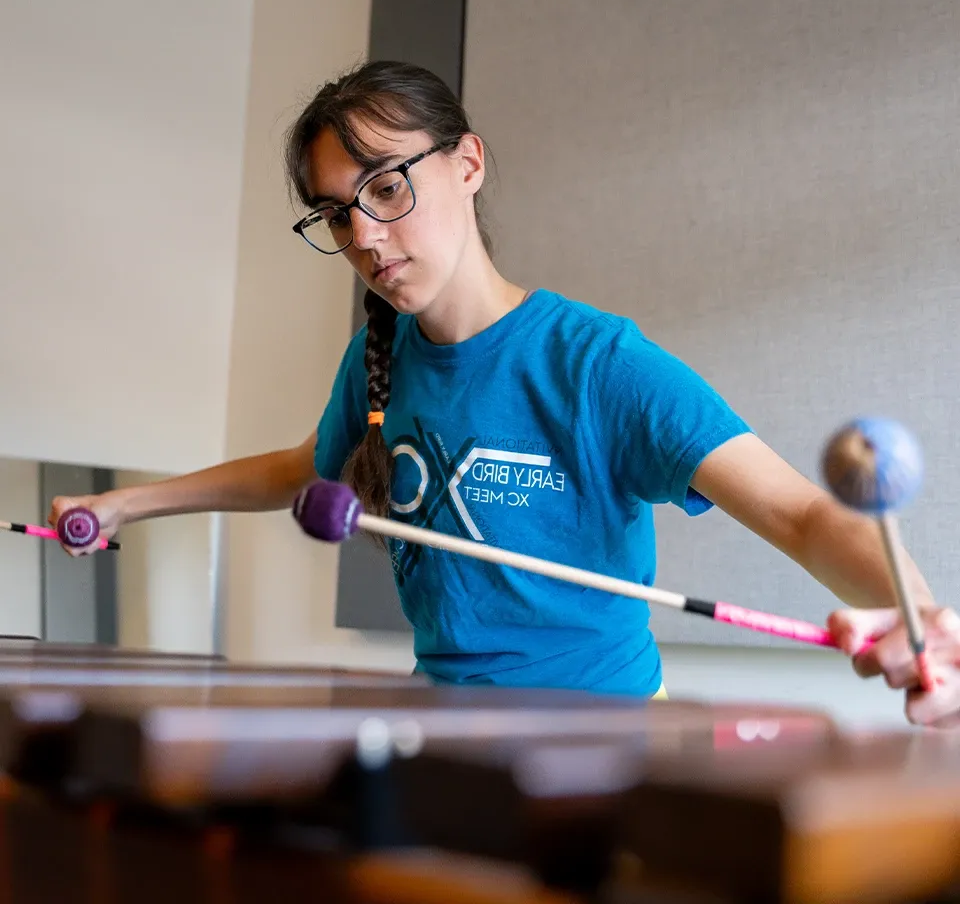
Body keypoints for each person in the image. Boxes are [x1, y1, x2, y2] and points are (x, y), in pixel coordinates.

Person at [49, 60, 960, 727]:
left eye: (387, 186)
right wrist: (129, 502)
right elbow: (300, 465)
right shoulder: (377, 355)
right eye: (336, 211)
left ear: (468, 163)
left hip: (604, 739)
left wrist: (919, 619)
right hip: (439, 730)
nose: (364, 233)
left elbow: (800, 514)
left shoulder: (596, 363)